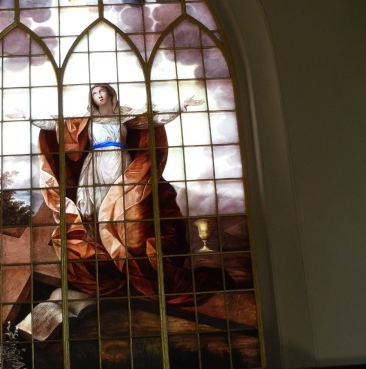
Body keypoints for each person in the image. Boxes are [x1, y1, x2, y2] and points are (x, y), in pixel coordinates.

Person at [19, 84, 225, 304]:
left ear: (110, 94)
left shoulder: (125, 116)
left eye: (102, 92)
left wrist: (181, 106)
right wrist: (27, 116)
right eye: (94, 93)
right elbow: (54, 124)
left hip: (119, 164)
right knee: (94, 209)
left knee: (118, 209)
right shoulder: (84, 118)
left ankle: (120, 255)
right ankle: (104, 260)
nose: (98, 95)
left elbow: (154, 119)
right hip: (95, 166)